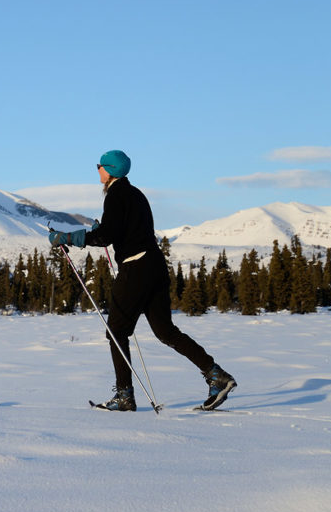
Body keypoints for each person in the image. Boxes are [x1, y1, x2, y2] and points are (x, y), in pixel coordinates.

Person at [48, 150, 237, 411]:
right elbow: (123, 230)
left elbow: (108, 235)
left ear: (110, 170)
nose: (98, 171)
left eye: (99, 166)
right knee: (166, 331)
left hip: (136, 268)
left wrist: (69, 238)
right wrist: (99, 231)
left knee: (116, 332)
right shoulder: (135, 194)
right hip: (155, 266)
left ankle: (125, 397)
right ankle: (217, 375)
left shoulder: (116, 195)